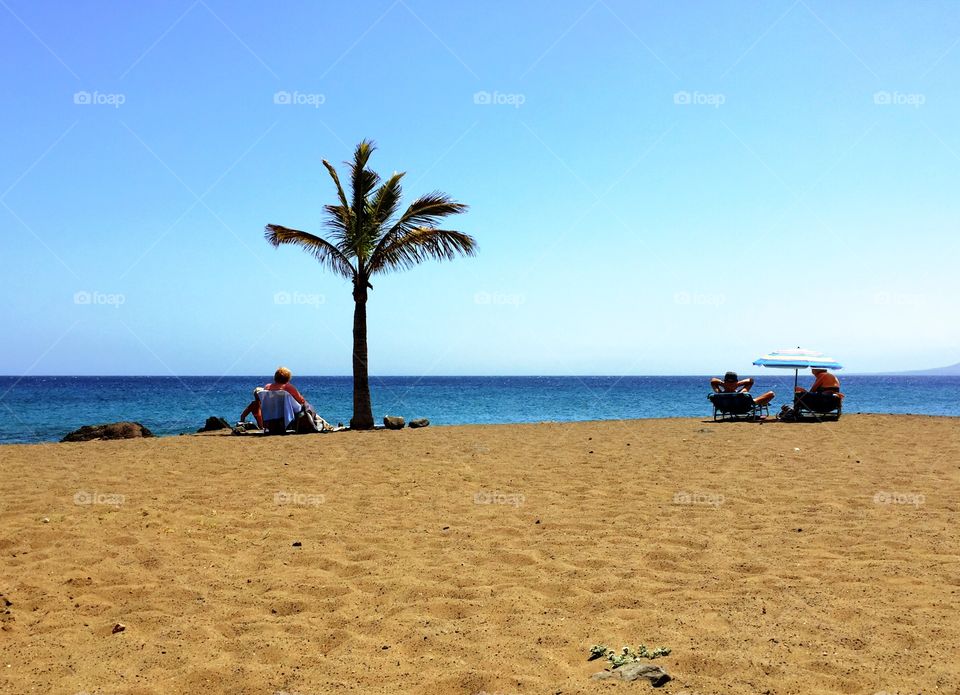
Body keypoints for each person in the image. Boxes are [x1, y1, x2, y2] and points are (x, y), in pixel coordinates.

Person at [264, 366, 333, 432]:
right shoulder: (287, 387)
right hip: (288, 413)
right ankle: (319, 424)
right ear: (287, 378)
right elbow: (301, 400)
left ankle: (320, 423)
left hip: (273, 413)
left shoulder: (267, 387)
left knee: (306, 407)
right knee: (308, 406)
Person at [710, 370, 775, 406]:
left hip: (726, 407)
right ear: (736, 381)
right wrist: (738, 384)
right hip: (744, 407)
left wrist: (723, 384)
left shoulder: (719, 393)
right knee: (771, 393)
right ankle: (763, 403)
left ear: (724, 381)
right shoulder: (742, 393)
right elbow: (751, 381)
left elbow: (713, 381)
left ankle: (764, 403)